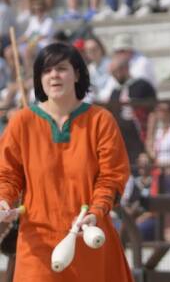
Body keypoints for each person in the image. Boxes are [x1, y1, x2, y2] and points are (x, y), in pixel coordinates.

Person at [0, 42, 133, 281]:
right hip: (38, 242)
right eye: (46, 70)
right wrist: (4, 200)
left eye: (61, 68)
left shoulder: (101, 121)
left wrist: (96, 211)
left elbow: (112, 177)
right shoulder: (21, 122)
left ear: (77, 74)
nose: (54, 76)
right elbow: (7, 175)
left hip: (89, 236)